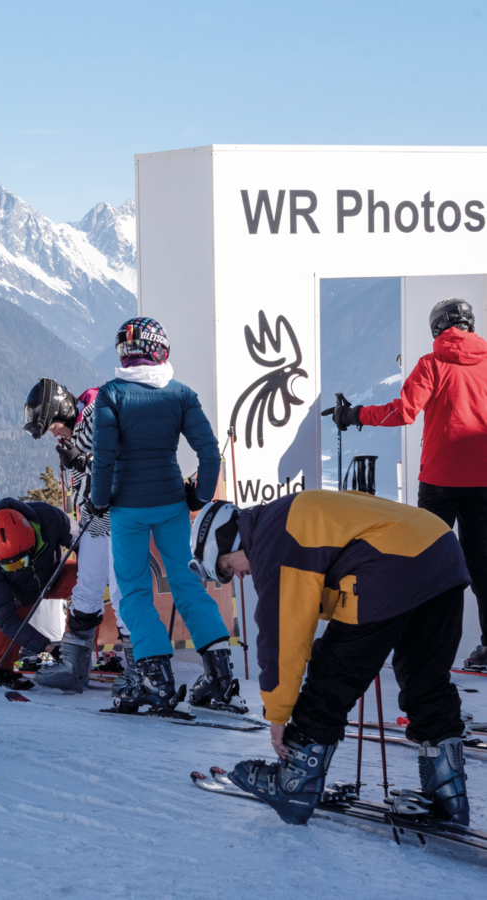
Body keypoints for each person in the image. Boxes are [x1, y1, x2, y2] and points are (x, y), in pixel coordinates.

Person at [190, 491, 471, 826]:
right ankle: (449, 794)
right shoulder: (283, 518)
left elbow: (284, 635)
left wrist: (278, 716)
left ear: (227, 541)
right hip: (441, 551)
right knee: (426, 680)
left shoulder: (271, 539)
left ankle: (294, 783)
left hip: (388, 564)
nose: (236, 576)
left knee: (329, 676)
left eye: (226, 567)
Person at [88, 317, 241, 714]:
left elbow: (103, 459)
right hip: (173, 504)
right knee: (189, 586)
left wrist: (98, 500)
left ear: (124, 352)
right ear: (162, 349)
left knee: (135, 592)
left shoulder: (110, 396)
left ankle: (155, 680)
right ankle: (221, 680)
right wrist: (199, 497)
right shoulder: (181, 395)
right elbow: (210, 454)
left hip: (127, 508)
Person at [328, 297, 487, 666]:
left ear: (437, 327)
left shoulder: (432, 364)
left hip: (440, 480)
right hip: (483, 481)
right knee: (482, 564)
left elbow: (403, 412)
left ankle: (420, 646)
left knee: (425, 563)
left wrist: (353, 414)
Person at [22, 377, 132, 690]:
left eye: (55, 428)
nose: (56, 435)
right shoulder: (79, 425)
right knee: (86, 588)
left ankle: (141, 670)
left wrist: (82, 459)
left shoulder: (101, 411)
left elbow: (123, 456)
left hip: (118, 516)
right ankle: (73, 664)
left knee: (123, 591)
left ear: (63, 411)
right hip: (94, 519)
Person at [0, 498, 82, 689]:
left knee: (88, 581)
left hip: (52, 576)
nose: (18, 568)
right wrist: (49, 648)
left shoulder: (50, 518)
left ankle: (77, 649)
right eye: (10, 565)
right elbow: (5, 619)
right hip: (18, 598)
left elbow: (83, 542)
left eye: (21, 562)